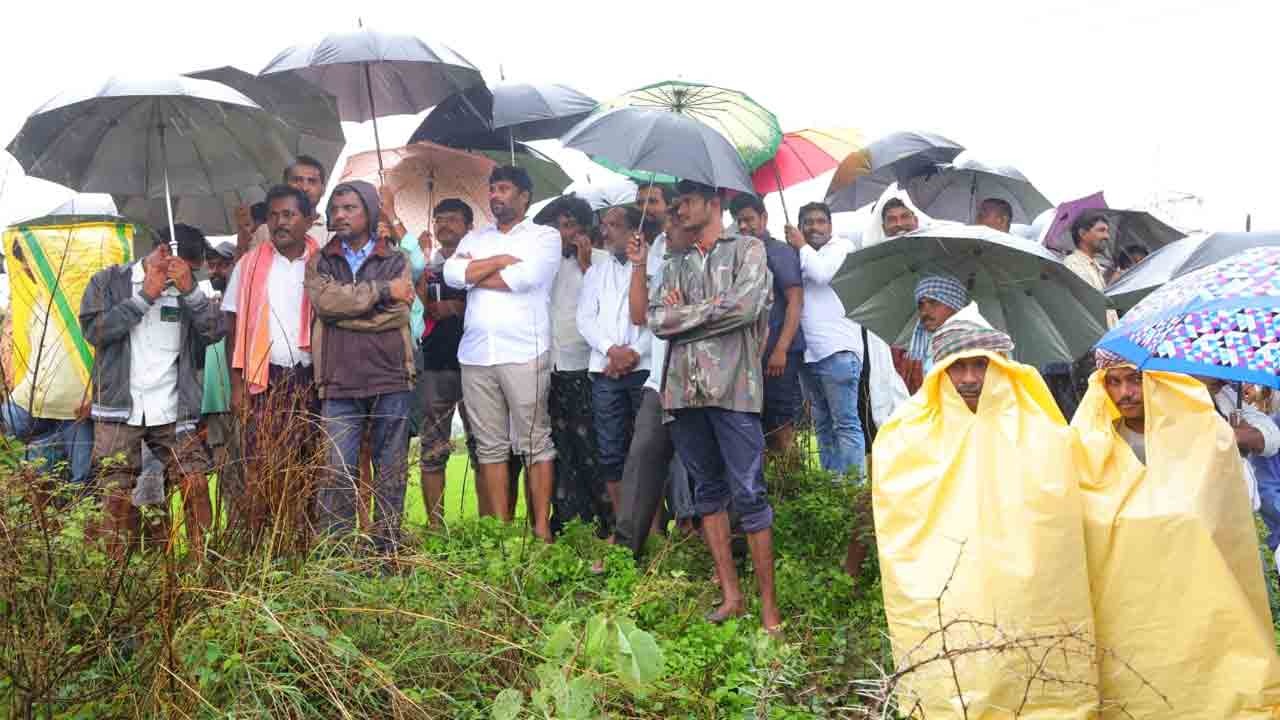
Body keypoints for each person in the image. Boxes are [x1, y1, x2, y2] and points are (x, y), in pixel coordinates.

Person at [872, 321, 1097, 716]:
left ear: (1002, 366)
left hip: (1024, 583)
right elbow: (901, 517)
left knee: (1034, 664)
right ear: (939, 371)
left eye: (981, 365)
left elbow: (1056, 510)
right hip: (949, 581)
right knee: (956, 664)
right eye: (958, 367)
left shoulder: (1038, 425)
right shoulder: (907, 433)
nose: (970, 378)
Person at [1072, 354, 1280, 716]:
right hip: (1130, 583)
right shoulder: (1091, 442)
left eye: (1135, 380)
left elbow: (1217, 511)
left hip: (1201, 578)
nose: (1126, 393)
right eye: (1114, 383)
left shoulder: (1196, 432)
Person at [649, 180, 779, 631]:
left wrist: (688, 315)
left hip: (736, 389)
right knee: (707, 491)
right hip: (683, 392)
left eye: (686, 201)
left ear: (714, 203)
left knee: (750, 493)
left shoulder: (748, 249)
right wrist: (709, 313)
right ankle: (731, 596)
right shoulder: (675, 262)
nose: (678, 209)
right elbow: (656, 320)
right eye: (676, 202)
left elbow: (746, 306)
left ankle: (769, 608)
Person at [79, 224, 225, 559]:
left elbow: (215, 331)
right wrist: (144, 297)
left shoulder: (187, 292)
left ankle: (203, 570)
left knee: (196, 484)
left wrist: (191, 292)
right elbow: (95, 332)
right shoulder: (108, 282)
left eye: (193, 271)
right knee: (116, 496)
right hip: (119, 408)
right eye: (187, 267)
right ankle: (118, 581)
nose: (189, 275)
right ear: (163, 252)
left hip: (173, 410)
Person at [444, 166, 562, 542]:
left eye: (505, 188)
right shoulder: (476, 236)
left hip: (525, 350)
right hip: (477, 354)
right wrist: (497, 262)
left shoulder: (545, 236)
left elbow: (526, 279)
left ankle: (540, 529)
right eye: (492, 189)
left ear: (525, 195)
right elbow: (451, 274)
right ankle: (501, 532)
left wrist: (474, 274)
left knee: (534, 442)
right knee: (490, 446)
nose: (495, 195)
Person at [306, 180, 417, 554]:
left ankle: (387, 552)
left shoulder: (396, 259)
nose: (340, 215)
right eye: (335, 209)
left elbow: (399, 315)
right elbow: (325, 305)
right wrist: (381, 293)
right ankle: (335, 557)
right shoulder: (321, 260)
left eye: (350, 207)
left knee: (391, 469)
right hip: (338, 380)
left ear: (370, 211)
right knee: (336, 472)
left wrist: (347, 310)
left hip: (390, 375)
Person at [223, 185, 329, 542]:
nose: (280, 223)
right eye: (274, 216)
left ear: (308, 221)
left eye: (289, 215)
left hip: (312, 377)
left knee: (311, 462)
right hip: (264, 378)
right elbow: (234, 327)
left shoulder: (324, 262)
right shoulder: (248, 266)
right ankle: (261, 548)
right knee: (262, 464)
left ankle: (302, 543)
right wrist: (237, 386)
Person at [609, 204, 696, 563]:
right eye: (668, 222)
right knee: (642, 457)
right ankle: (625, 550)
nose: (667, 229)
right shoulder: (663, 260)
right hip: (660, 380)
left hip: (699, 381)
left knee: (707, 467)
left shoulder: (722, 257)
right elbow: (640, 315)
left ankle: (722, 545)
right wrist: (640, 264)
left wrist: (682, 311)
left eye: (676, 222)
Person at [578, 204, 652, 537]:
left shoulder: (657, 266)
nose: (605, 231)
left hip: (644, 368)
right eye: (604, 225)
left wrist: (634, 352)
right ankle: (625, 531)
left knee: (648, 449)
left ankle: (653, 531)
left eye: (615, 225)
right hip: (605, 370)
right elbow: (585, 319)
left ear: (636, 231)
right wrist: (612, 351)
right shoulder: (596, 271)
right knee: (611, 450)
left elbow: (660, 318)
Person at [540, 194, 608, 534]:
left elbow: (605, 310)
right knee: (560, 450)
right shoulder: (546, 264)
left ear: (584, 230)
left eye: (569, 226)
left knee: (591, 448)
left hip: (586, 368)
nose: (561, 233)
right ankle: (568, 523)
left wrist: (586, 267)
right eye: (556, 226)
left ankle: (605, 523)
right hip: (551, 369)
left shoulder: (602, 262)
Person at [0, 242, 94, 486]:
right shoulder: (38, 301)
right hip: (32, 405)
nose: (26, 270)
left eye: (29, 263)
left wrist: (98, 396)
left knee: (82, 482)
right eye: (23, 265)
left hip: (76, 409)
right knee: (39, 479)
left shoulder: (80, 296)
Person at [785, 202, 866, 476]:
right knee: (822, 425)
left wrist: (800, 246)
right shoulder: (799, 255)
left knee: (844, 422)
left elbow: (822, 275)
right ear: (800, 225)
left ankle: (855, 491)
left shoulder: (842, 248)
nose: (814, 228)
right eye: (808, 222)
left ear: (830, 226)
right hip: (809, 355)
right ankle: (832, 489)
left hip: (838, 352)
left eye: (820, 222)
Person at [731, 194, 805, 466]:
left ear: (764, 218)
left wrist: (781, 349)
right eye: (738, 221)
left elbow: (795, 300)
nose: (743, 226)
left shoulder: (779, 252)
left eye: (749, 219)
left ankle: (796, 491)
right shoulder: (741, 255)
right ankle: (773, 494)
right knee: (757, 426)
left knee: (782, 424)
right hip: (751, 355)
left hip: (780, 352)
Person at [415, 199, 474, 528]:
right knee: (432, 446)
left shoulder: (476, 262)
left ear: (468, 226)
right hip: (437, 362)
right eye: (439, 219)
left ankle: (490, 523)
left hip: (475, 362)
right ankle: (435, 526)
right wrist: (423, 290)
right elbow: (421, 311)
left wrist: (455, 307)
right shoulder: (430, 267)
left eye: (452, 219)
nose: (444, 225)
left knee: (483, 446)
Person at [200, 241, 238, 526]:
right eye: (211, 265)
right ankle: (233, 535)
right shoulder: (208, 307)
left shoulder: (240, 304)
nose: (216, 271)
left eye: (222, 265)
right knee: (225, 470)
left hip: (240, 397)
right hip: (213, 402)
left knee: (246, 467)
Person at [236, 155, 331, 256]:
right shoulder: (265, 231)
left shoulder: (330, 235)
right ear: (285, 186)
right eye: (297, 180)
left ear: (323, 189)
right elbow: (246, 270)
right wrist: (243, 238)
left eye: (312, 181)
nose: (304, 187)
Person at [892, 274, 970, 393]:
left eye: (933, 302)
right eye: (921, 305)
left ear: (954, 305)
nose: (924, 312)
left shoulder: (975, 346)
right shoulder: (923, 348)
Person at [1062, 212, 1118, 328]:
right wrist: (1114, 284)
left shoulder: (1095, 266)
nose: (1107, 236)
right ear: (1082, 233)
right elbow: (1091, 303)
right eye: (1101, 230)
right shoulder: (1073, 264)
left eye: (1107, 231)